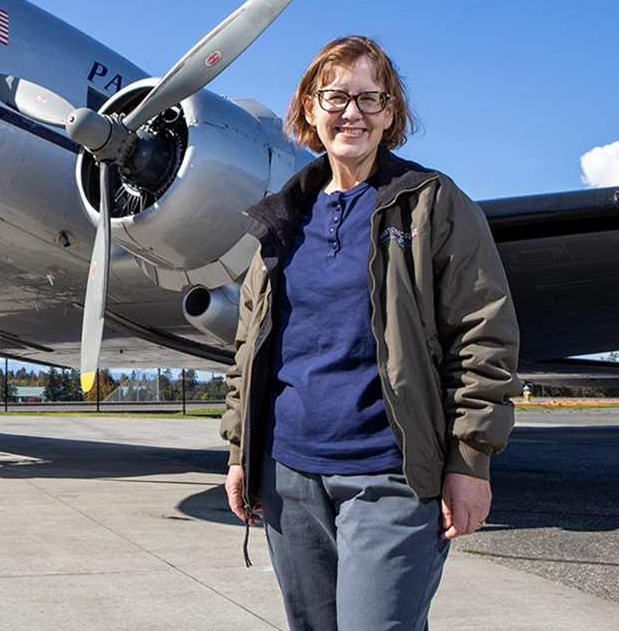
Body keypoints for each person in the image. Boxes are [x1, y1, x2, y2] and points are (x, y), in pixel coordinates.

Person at [219, 36, 522, 630]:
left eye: (370, 98)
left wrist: (471, 462)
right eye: (335, 96)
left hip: (391, 473)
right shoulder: (282, 219)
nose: (351, 112)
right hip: (289, 476)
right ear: (309, 108)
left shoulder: (432, 203)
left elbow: (483, 335)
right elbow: (248, 349)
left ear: (390, 114)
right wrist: (240, 453)